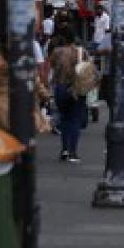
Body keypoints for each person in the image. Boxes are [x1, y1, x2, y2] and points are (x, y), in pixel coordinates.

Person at [49, 25, 89, 163]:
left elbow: (52, 66)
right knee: (75, 120)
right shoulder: (81, 51)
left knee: (64, 118)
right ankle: (73, 151)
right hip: (76, 88)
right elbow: (87, 69)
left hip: (61, 87)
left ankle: (64, 149)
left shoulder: (57, 52)